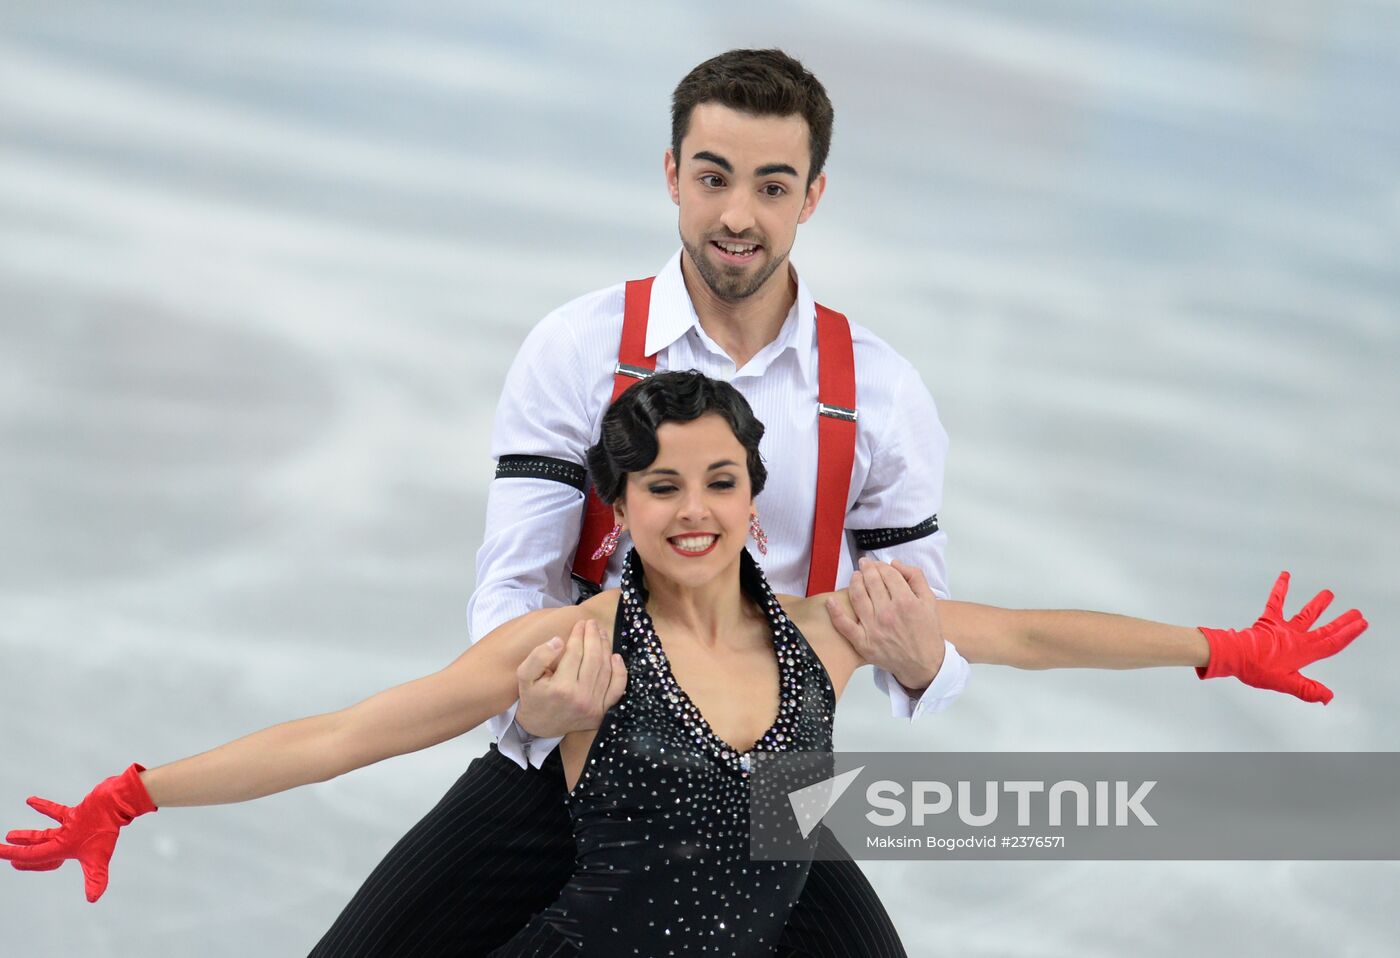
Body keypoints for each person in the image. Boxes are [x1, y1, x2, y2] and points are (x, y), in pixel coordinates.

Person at [0, 372, 1367, 958]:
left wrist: (1221, 649)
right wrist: (137, 792)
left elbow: (1033, 635)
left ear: (752, 489)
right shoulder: (572, 645)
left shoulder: (834, 626)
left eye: (721, 477)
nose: (696, 506)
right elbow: (353, 730)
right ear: (624, 505)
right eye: (664, 485)